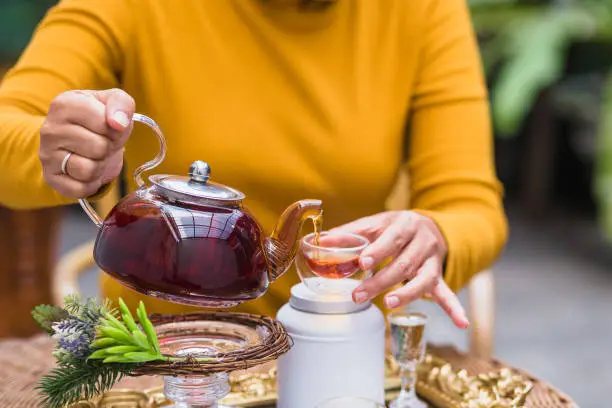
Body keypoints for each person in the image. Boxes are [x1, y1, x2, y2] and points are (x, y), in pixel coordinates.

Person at [0, 0, 507, 329]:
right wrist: (64, 154)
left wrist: (437, 232)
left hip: (338, 348)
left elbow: (470, 206)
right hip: (162, 355)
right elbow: (9, 128)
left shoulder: (425, 12)